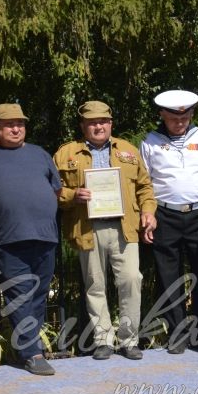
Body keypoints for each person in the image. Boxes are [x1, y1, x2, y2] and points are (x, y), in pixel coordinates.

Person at [55, 101, 157, 361]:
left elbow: (145, 188)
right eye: (92, 122)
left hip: (125, 228)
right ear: (83, 126)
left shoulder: (128, 151)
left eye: (102, 121)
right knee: (95, 285)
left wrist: (148, 211)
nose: (98, 126)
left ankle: (129, 340)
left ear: (111, 124)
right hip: (87, 228)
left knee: (131, 280)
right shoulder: (66, 153)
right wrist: (71, 194)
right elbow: (52, 190)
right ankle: (103, 340)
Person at [0, 103, 61, 375]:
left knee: (39, 296)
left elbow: (55, 190)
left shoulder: (40, 154)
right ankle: (32, 353)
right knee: (19, 295)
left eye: (20, 123)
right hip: (9, 240)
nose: (16, 128)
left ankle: (25, 349)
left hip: (46, 237)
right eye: (9, 124)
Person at [139, 90, 198, 353]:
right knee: (168, 278)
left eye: (185, 116)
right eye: (175, 117)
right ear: (162, 114)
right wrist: (146, 214)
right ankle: (177, 334)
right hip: (165, 215)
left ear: (192, 114)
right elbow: (144, 183)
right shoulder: (150, 142)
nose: (180, 121)